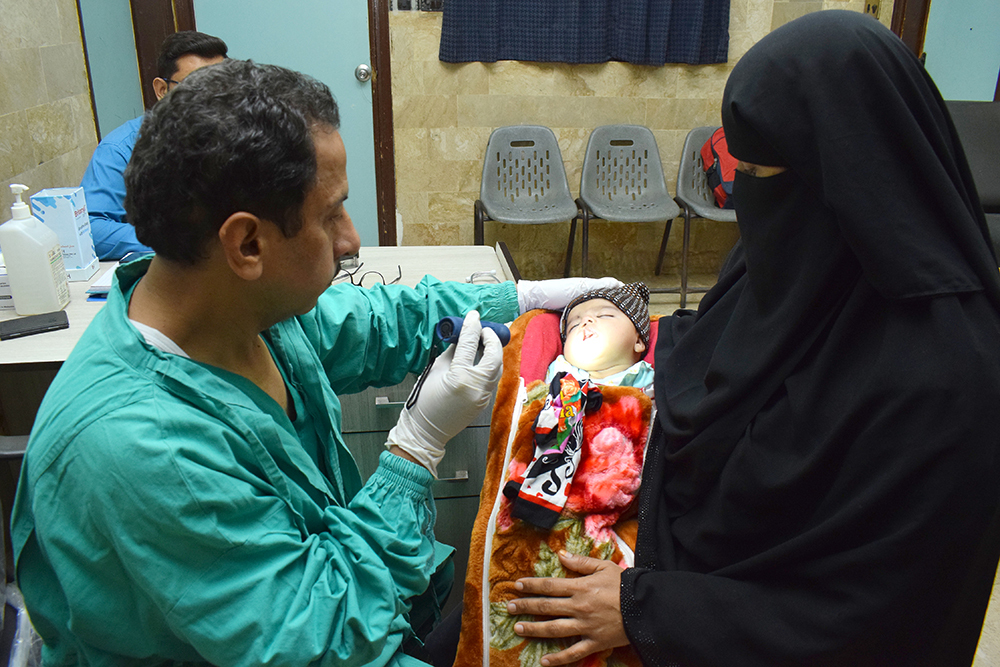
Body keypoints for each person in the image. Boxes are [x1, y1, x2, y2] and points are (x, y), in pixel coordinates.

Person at [12, 58, 617, 667]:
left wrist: (524, 298)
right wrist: (414, 449)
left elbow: (375, 323)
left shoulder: (239, 309)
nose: (351, 240)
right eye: (330, 215)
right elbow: (322, 638)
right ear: (247, 243)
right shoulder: (142, 448)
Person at [506, 10, 1000, 666]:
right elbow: (713, 347)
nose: (746, 200)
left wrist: (646, 610)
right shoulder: (807, 258)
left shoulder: (951, 383)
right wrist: (610, 339)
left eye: (762, 175)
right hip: (669, 553)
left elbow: (880, 622)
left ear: (845, 173)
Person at [80, 30, 228, 260]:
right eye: (195, 86)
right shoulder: (120, 149)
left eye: (220, 86)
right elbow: (91, 229)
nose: (210, 98)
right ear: (162, 90)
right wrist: (179, 243)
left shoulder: (243, 137)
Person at [551, 281, 652, 391]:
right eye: (574, 326)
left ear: (638, 342)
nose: (585, 321)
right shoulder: (559, 370)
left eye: (604, 315)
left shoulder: (651, 380)